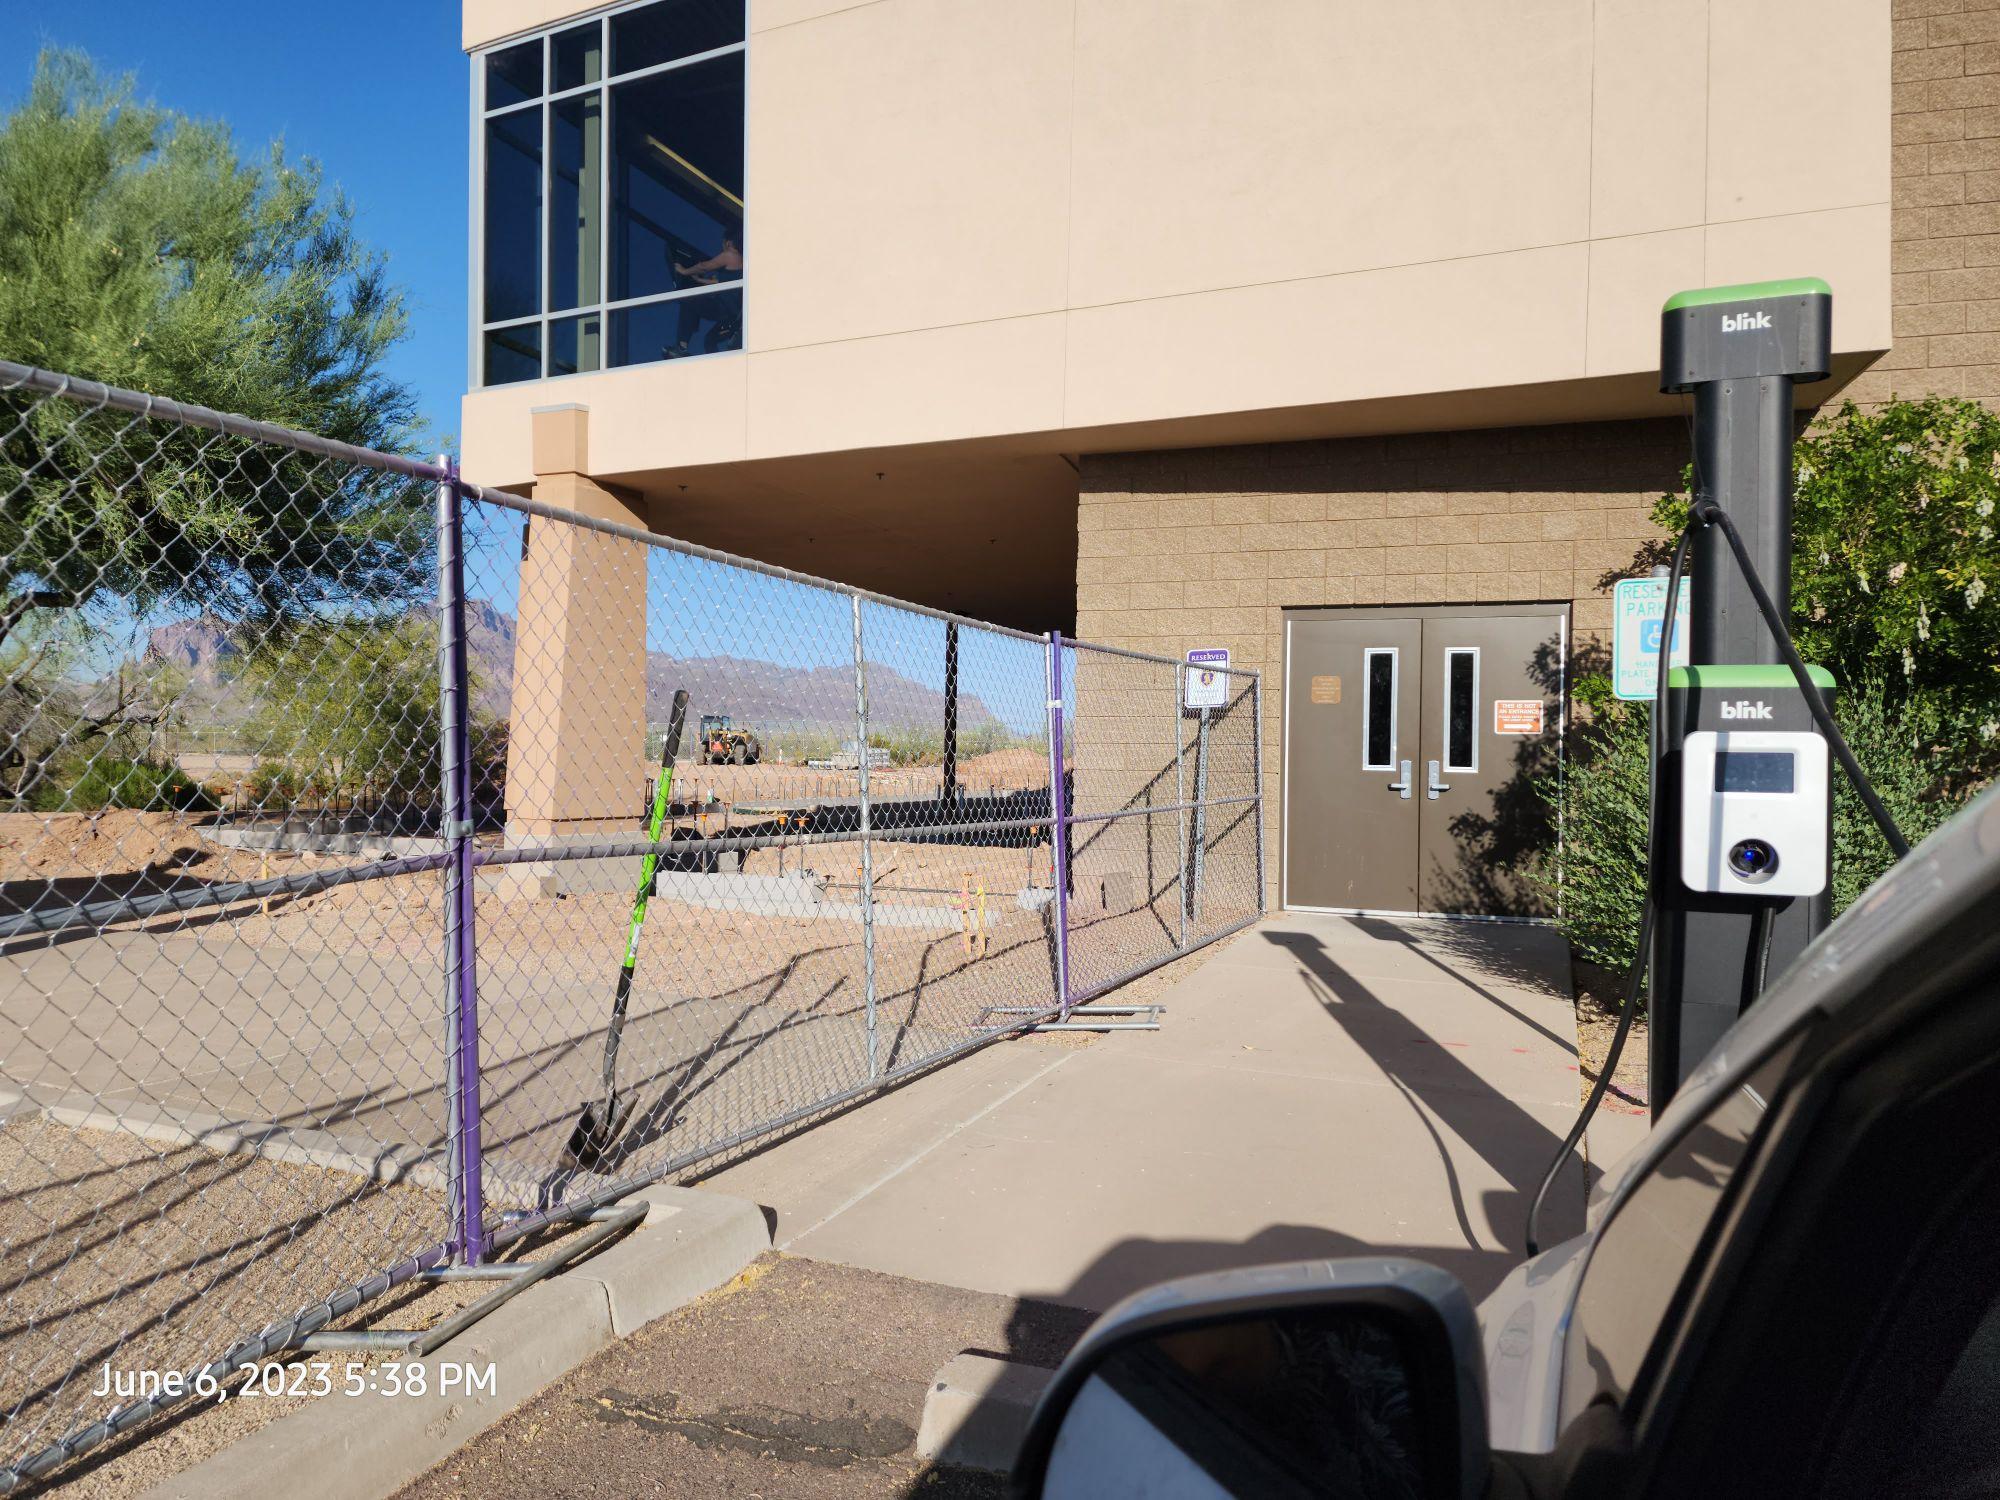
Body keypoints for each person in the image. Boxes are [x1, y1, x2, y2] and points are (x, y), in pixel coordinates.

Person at [669, 228, 743, 356]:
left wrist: (684, 271)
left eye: (722, 243)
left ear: (729, 243)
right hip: (732, 314)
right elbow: (720, 282)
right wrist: (700, 280)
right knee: (710, 340)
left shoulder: (730, 255)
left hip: (723, 308)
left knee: (688, 300)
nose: (722, 246)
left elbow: (704, 267)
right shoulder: (741, 261)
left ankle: (681, 347)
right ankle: (720, 364)